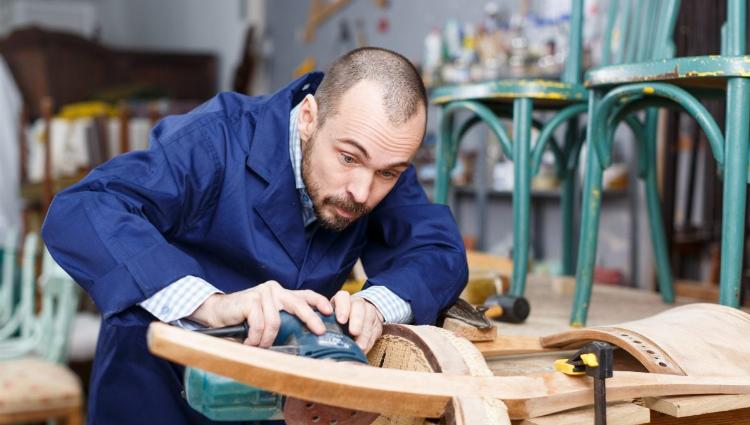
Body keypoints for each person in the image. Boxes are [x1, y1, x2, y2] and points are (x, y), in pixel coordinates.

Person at [42, 47, 467, 424]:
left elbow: (438, 251)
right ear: (308, 118)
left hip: (271, 406)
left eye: (388, 173)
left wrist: (374, 305)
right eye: (347, 158)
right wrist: (212, 305)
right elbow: (84, 208)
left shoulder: (373, 166)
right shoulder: (216, 139)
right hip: (157, 395)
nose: (362, 192)